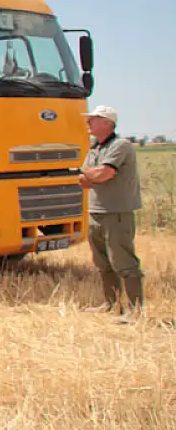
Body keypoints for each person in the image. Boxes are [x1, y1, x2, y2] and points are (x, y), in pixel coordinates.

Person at [78, 105, 144, 322]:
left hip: (117, 212)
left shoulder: (121, 146)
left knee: (123, 261)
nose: (88, 122)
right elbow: (84, 180)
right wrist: (92, 175)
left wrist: (92, 174)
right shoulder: (95, 148)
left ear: (107, 123)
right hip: (96, 210)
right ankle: (111, 304)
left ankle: (135, 311)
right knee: (102, 262)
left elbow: (104, 173)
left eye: (93, 119)